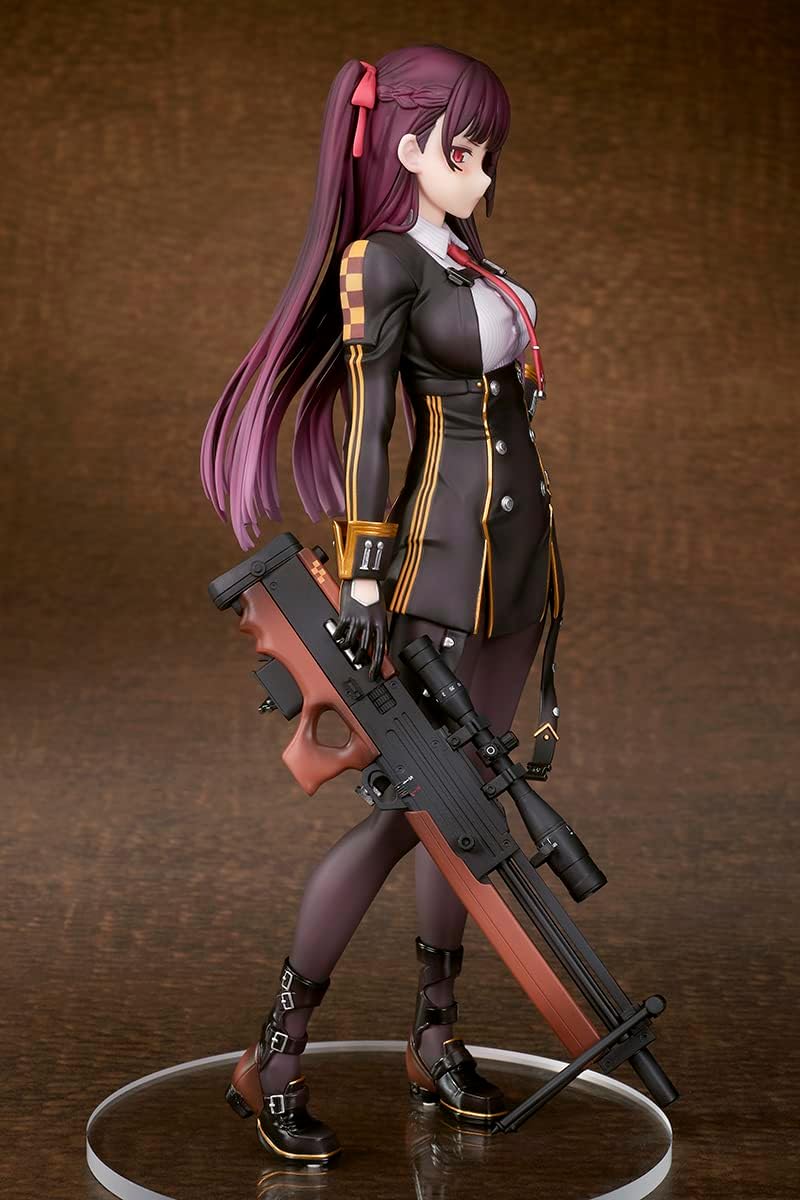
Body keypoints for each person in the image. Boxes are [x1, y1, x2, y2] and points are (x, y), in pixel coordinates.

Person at [200, 44, 559, 1168]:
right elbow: (369, 426)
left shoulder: (469, 261)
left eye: (488, 154)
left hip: (518, 569)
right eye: (465, 150)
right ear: (406, 146)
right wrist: (362, 575)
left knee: (468, 811)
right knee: (413, 811)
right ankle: (276, 1050)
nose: (482, 174)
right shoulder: (384, 263)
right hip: (436, 569)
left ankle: (434, 1038)